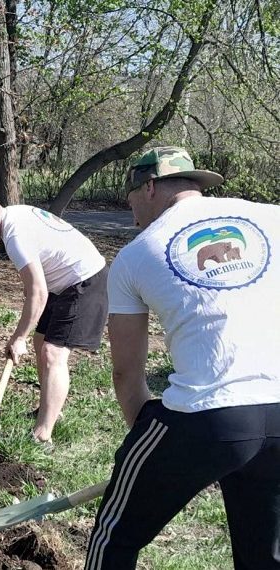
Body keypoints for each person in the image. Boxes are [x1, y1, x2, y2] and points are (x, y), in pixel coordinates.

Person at [85, 147, 280, 569]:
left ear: (149, 187)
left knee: (114, 536)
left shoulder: (136, 254)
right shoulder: (272, 217)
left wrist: (164, 454)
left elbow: (126, 373)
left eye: (131, 197)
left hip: (207, 416)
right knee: (266, 554)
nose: (131, 210)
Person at [0, 188, 109, 444]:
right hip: (63, 282)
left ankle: (42, 435)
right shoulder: (14, 214)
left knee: (53, 353)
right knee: (41, 342)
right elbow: (36, 282)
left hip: (85, 281)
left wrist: (18, 338)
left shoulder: (16, 235)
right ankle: (51, 409)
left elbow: (38, 293)